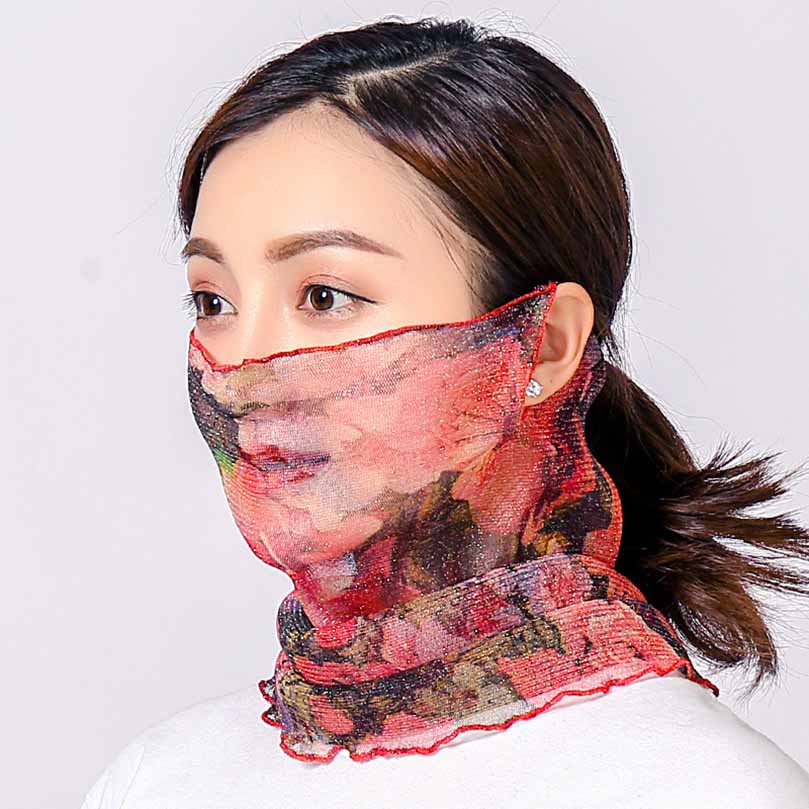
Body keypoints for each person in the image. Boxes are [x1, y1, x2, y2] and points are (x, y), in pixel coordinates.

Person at [80, 15, 809, 809]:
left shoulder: (698, 789)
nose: (245, 372)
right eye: (212, 300)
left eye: (324, 295)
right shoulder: (162, 778)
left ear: (541, 344)